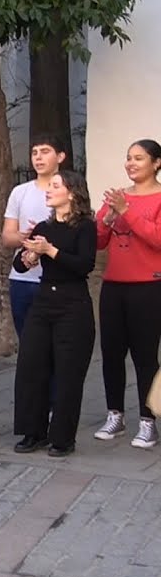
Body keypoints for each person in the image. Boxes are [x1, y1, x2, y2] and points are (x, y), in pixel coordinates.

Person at [12, 170, 97, 457]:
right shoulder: (44, 227)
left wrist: (50, 251)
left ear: (72, 193)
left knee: (68, 372)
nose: (49, 190)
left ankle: (63, 438)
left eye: (55, 186)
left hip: (73, 304)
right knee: (30, 366)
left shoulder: (85, 227)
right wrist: (29, 256)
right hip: (44, 300)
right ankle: (32, 432)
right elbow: (21, 265)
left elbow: (84, 265)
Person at [93, 139, 161, 448]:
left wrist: (127, 211)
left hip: (149, 286)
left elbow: (157, 239)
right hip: (114, 286)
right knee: (111, 354)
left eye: (139, 158)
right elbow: (97, 242)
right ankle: (115, 415)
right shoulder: (117, 197)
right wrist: (106, 220)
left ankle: (148, 421)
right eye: (128, 158)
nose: (131, 163)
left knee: (146, 356)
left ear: (156, 163)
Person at [2, 137, 67, 337]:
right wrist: (26, 236)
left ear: (60, 157)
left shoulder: (68, 192)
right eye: (34, 153)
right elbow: (7, 238)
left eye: (45, 151)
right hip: (23, 279)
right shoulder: (20, 192)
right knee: (28, 344)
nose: (38, 158)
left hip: (57, 279)